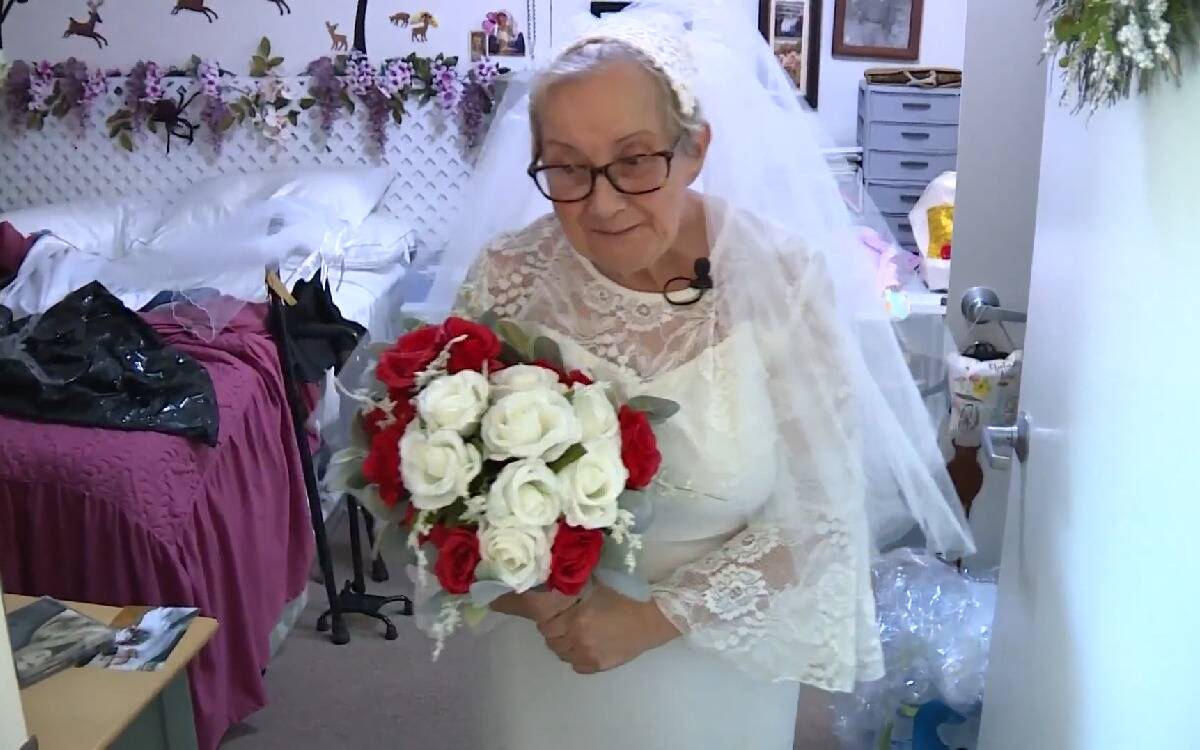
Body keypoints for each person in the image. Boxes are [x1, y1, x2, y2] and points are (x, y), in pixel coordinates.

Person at [424, 2, 973, 747]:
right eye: (568, 167)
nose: (604, 201)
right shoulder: (507, 280)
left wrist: (650, 619)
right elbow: (435, 485)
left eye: (636, 159)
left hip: (716, 671)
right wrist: (542, 601)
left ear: (695, 150)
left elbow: (822, 515)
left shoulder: (779, 278)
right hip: (550, 654)